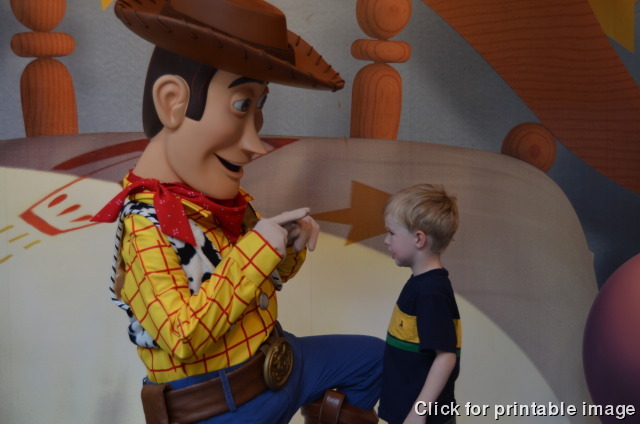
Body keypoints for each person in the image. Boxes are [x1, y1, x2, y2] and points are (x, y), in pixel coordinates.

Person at [92, 1, 383, 423]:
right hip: (223, 405)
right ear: (173, 102)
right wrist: (258, 249)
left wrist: (287, 247)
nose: (255, 145)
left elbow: (258, 284)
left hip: (281, 363)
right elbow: (183, 336)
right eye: (242, 105)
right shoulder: (147, 225)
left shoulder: (217, 204)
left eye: (258, 106)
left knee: (374, 361)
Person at [378, 184, 462, 424]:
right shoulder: (422, 283)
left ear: (418, 239)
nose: (386, 240)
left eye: (391, 233)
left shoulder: (431, 292)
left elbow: (446, 357)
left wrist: (419, 412)